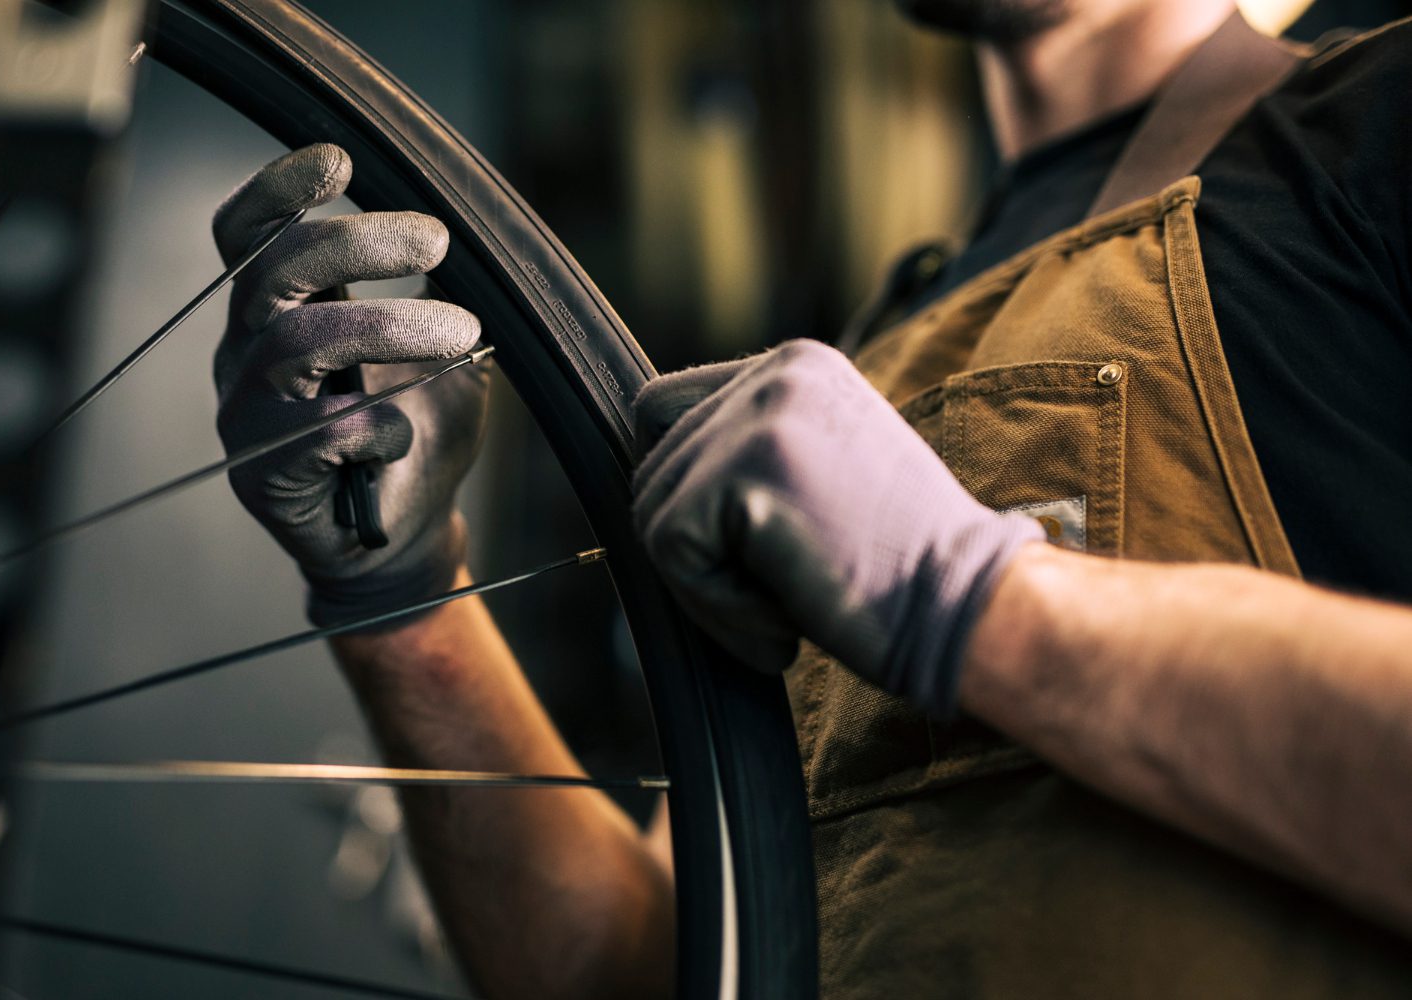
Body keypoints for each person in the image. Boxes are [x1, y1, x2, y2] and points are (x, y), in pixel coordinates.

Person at [208, 0, 1412, 997]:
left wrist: (981, 605)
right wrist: (402, 594)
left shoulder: (1375, 122)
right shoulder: (872, 353)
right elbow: (654, 969)